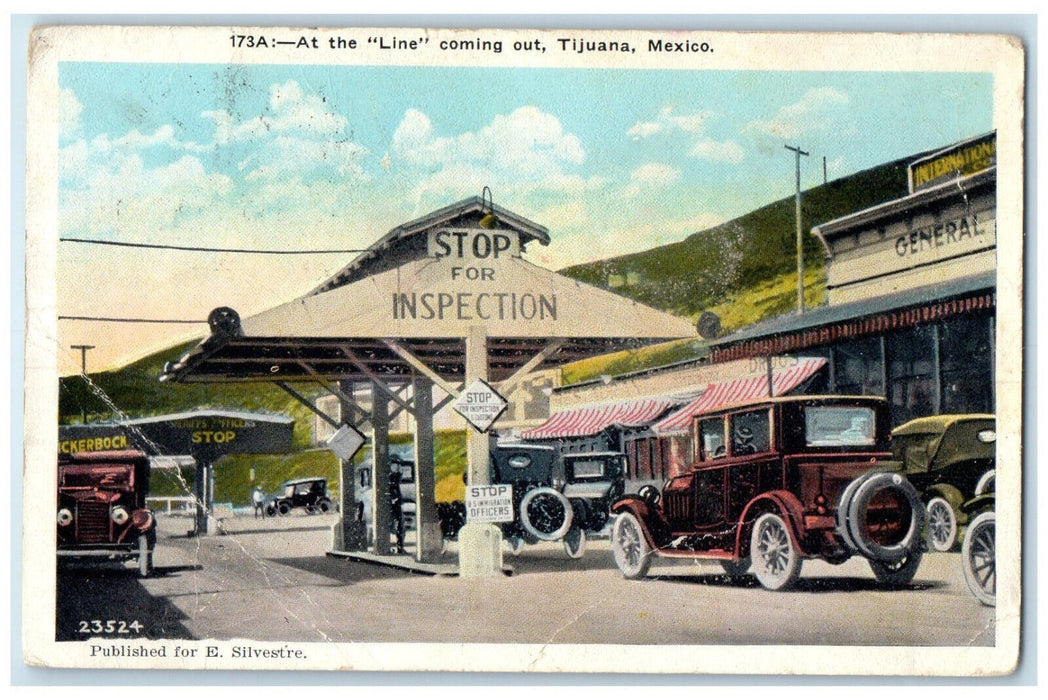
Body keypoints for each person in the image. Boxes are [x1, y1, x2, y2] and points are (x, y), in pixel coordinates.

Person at [388, 469, 406, 554]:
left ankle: (399, 547)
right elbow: (398, 499)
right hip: (394, 509)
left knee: (399, 528)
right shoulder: (393, 487)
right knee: (399, 528)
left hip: (394, 509)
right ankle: (399, 548)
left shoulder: (394, 486)